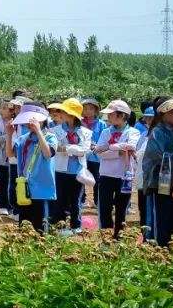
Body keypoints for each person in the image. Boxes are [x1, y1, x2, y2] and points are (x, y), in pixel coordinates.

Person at [141, 97, 173, 246]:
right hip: (160, 183)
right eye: (172, 112)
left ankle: (172, 247)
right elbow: (158, 156)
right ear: (162, 115)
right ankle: (159, 247)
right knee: (161, 217)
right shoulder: (157, 132)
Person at [7, 103, 58, 233]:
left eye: (32, 121)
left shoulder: (50, 137)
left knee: (41, 227)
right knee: (24, 227)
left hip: (42, 190)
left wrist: (39, 132)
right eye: (26, 121)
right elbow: (10, 154)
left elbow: (47, 154)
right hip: (25, 188)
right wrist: (9, 134)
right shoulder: (23, 139)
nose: (29, 125)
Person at [94, 99, 140, 238]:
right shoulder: (106, 132)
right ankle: (106, 236)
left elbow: (131, 146)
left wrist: (109, 147)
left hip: (124, 175)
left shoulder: (133, 132)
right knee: (105, 208)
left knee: (122, 208)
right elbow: (100, 154)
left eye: (111, 114)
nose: (108, 117)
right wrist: (120, 150)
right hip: (106, 174)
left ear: (122, 115)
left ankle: (119, 236)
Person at [51, 98, 91, 235]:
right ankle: (59, 225)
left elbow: (85, 149)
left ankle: (76, 225)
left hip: (77, 171)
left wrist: (67, 148)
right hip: (60, 170)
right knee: (60, 199)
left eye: (64, 111)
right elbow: (56, 148)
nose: (60, 114)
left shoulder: (85, 132)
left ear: (72, 115)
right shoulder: (55, 130)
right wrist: (74, 149)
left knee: (76, 200)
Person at [80, 97, 107, 205]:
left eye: (91, 109)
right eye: (85, 109)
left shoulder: (101, 124)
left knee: (97, 179)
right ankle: (82, 200)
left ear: (96, 111)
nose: (88, 111)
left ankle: (97, 201)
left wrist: (97, 145)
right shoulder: (80, 123)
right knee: (81, 177)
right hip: (82, 156)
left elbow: (104, 138)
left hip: (96, 157)